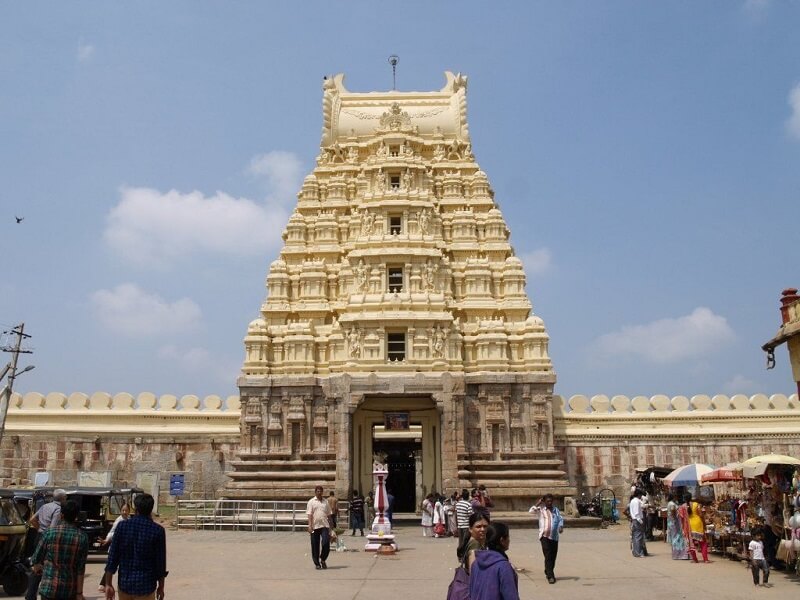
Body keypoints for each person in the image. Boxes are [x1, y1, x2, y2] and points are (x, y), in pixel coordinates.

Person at [104, 493, 167, 600]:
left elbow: (113, 557)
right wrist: (161, 587)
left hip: (125, 585)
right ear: (151, 509)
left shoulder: (122, 526)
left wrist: (108, 583)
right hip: (146, 586)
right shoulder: (158, 531)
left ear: (136, 508)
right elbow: (160, 562)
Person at [30, 500, 88, 600]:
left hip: (48, 589)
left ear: (61, 515)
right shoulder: (82, 537)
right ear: (76, 517)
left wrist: (38, 567)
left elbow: (35, 559)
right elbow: (80, 568)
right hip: (69, 590)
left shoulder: (49, 533)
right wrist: (79, 593)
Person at [26, 488, 67, 600]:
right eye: (66, 498)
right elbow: (53, 528)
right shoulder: (58, 509)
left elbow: (33, 519)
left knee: (36, 566)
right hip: (49, 539)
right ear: (63, 498)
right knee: (48, 566)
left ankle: (30, 595)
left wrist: (41, 530)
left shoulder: (45, 506)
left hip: (39, 537)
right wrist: (47, 535)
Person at [468, 522, 519, 600]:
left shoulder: (476, 563)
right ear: (502, 540)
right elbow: (511, 596)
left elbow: (472, 592)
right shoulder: (503, 567)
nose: (509, 540)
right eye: (508, 537)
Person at [529, 493, 564, 584]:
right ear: (544, 502)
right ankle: (550, 576)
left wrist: (561, 526)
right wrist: (539, 502)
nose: (549, 502)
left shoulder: (556, 510)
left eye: (551, 501)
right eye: (547, 501)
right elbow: (531, 511)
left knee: (553, 556)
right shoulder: (541, 510)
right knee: (548, 555)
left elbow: (560, 519)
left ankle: (548, 570)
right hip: (544, 536)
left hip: (554, 537)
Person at [98, 503, 130, 592]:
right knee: (111, 565)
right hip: (116, 547)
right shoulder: (119, 520)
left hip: (124, 547)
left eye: (126, 510)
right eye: (123, 510)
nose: (124, 512)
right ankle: (103, 584)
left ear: (129, 511)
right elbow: (112, 532)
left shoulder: (129, 520)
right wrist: (106, 540)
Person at [306, 485, 332, 570]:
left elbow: (329, 514)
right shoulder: (311, 502)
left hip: (324, 525)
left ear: (322, 492)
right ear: (315, 492)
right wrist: (310, 526)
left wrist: (331, 528)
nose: (319, 492)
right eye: (318, 491)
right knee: (315, 545)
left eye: (321, 491)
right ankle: (317, 563)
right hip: (314, 526)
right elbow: (309, 514)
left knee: (326, 543)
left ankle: (323, 559)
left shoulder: (326, 502)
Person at [665, 494, 689, 560]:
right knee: (677, 537)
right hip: (674, 523)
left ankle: (677, 554)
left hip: (671, 522)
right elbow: (673, 512)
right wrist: (675, 518)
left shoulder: (669, 503)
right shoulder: (672, 504)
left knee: (675, 537)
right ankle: (678, 553)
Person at [687, 495, 709, 563]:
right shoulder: (696, 504)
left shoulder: (684, 506)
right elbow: (701, 515)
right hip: (698, 524)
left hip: (690, 525)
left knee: (691, 543)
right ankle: (705, 559)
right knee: (703, 542)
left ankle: (694, 559)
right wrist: (704, 523)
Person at [628, 490, 647, 558]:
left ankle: (636, 552)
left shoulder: (633, 501)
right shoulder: (636, 502)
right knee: (638, 537)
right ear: (638, 494)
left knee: (636, 536)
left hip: (635, 520)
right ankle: (638, 552)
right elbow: (636, 513)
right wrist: (641, 521)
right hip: (637, 520)